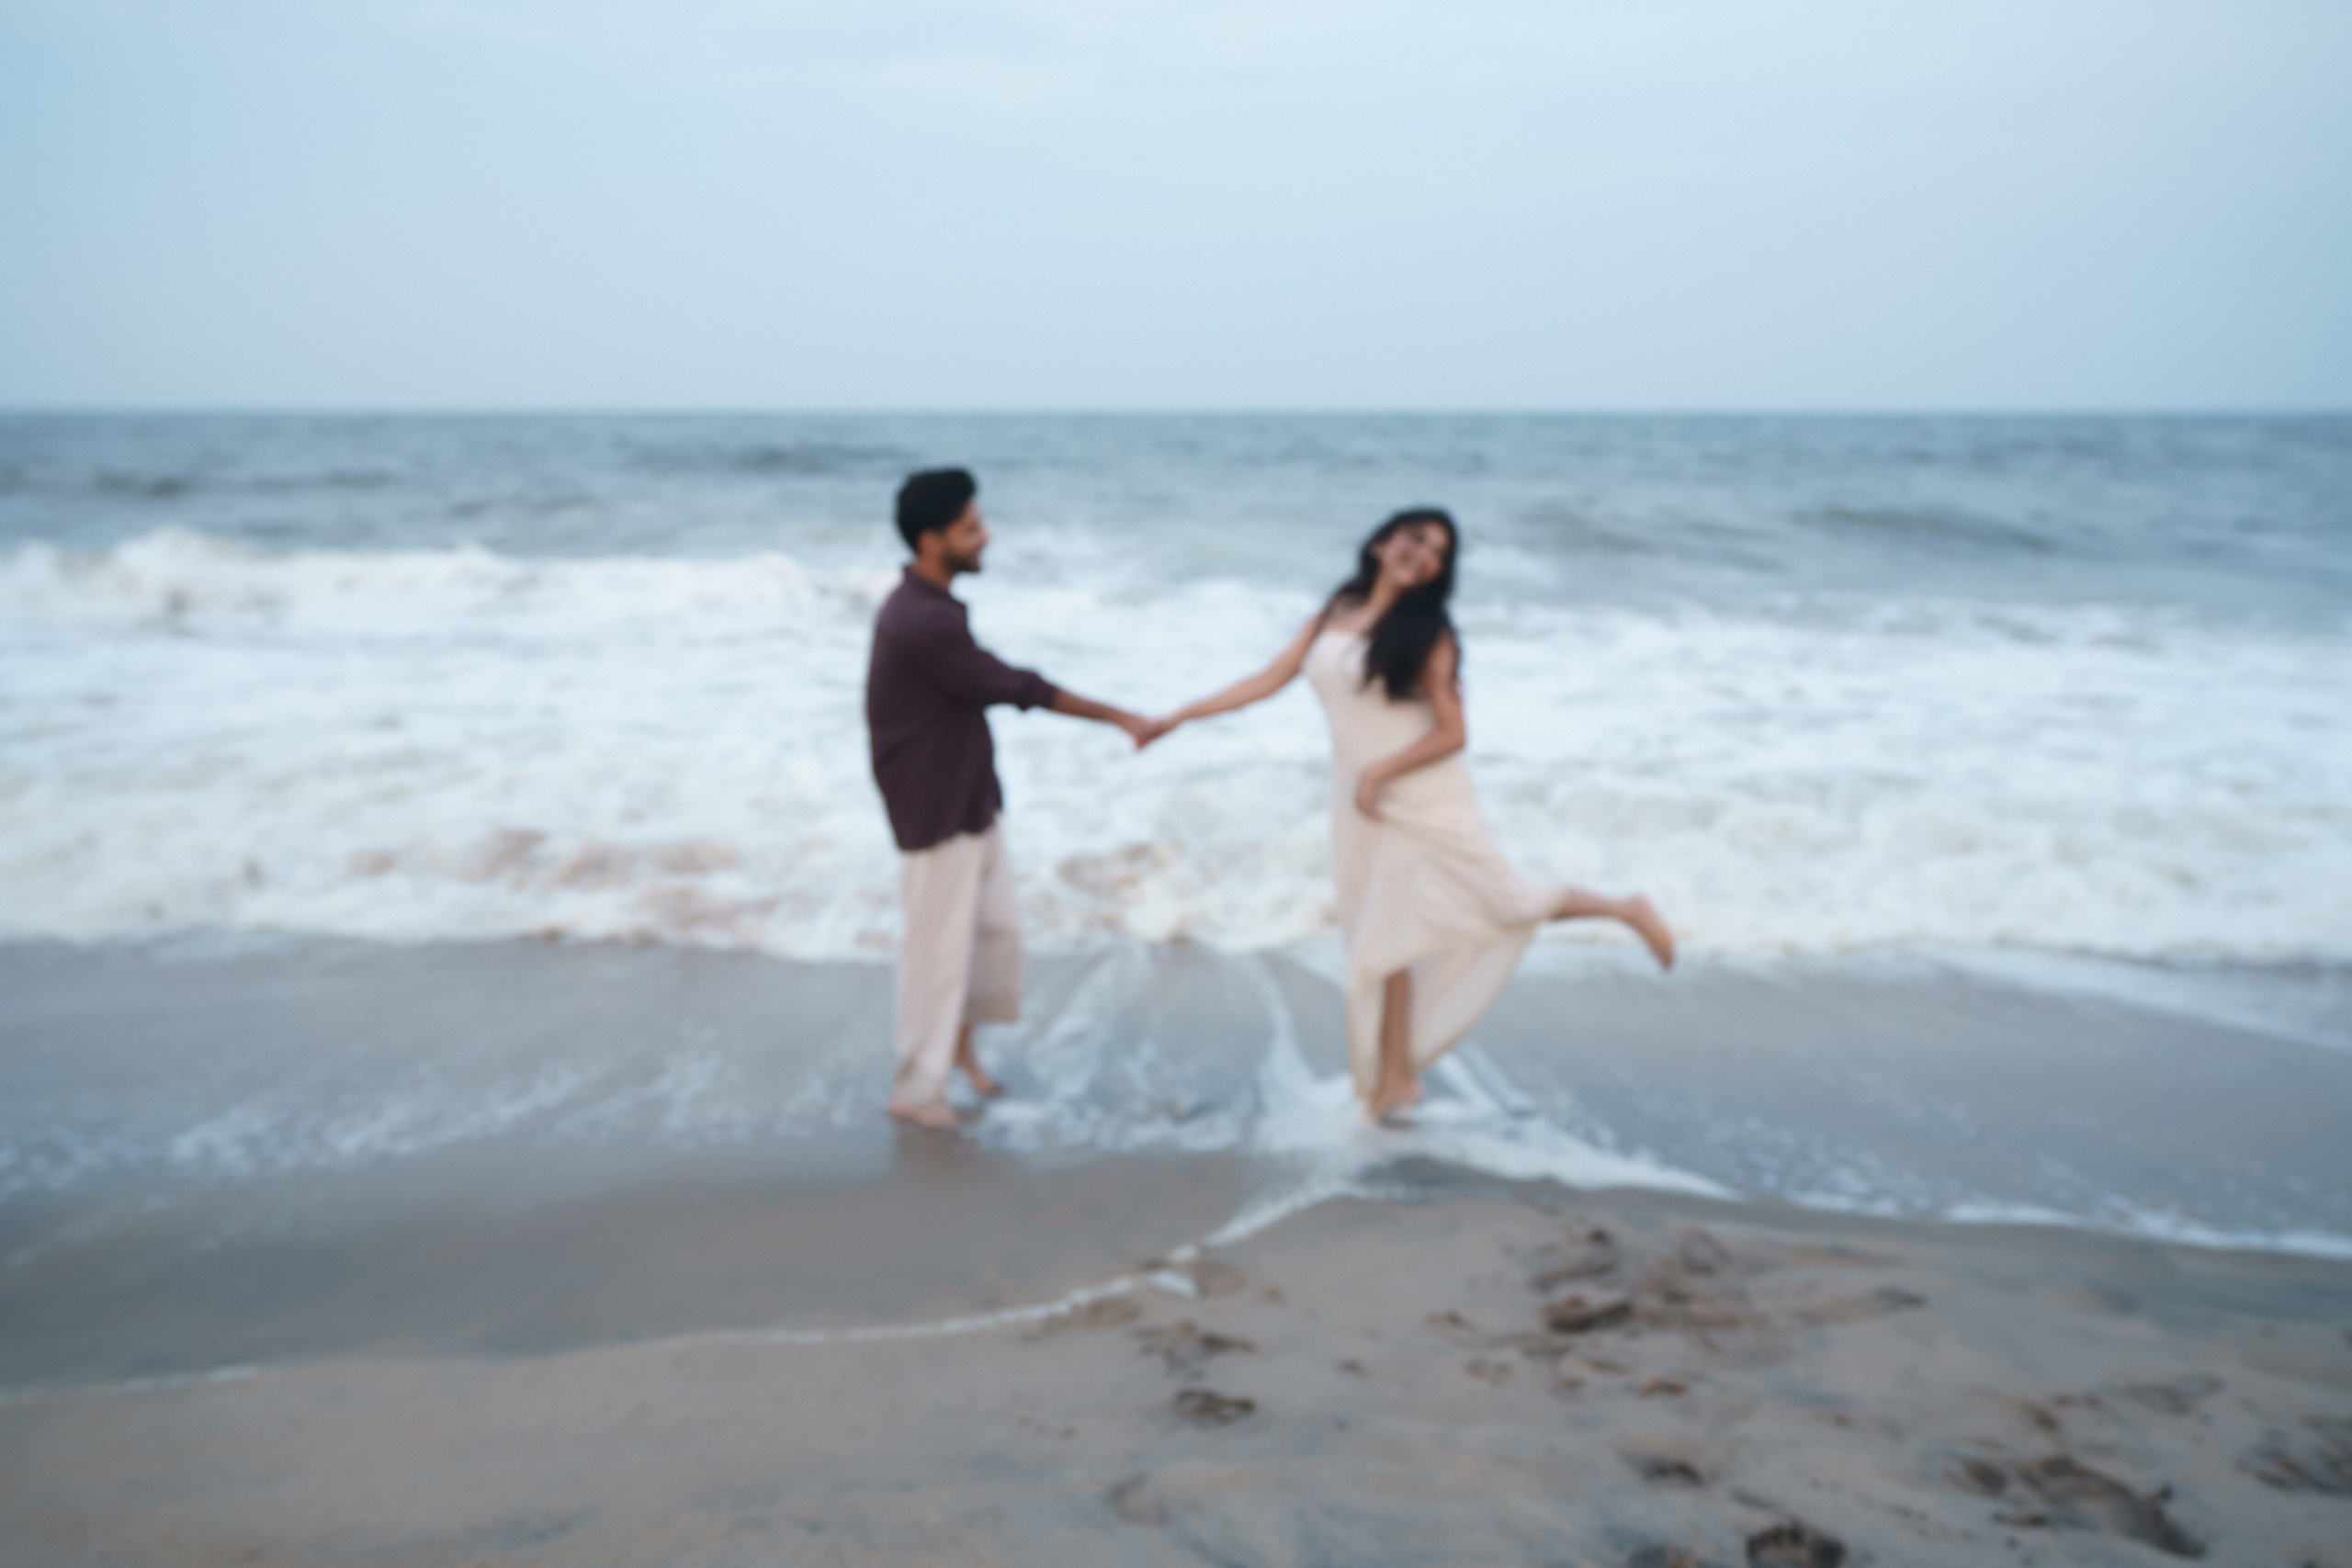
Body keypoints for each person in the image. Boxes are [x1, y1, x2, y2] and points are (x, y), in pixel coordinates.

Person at [1143, 508, 1674, 1122]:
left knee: (1504, 900)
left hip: (1422, 792)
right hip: (1363, 799)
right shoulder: (1338, 608)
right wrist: (1178, 715)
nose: (1422, 554)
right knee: (1386, 936)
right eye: (1415, 538)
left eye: (1437, 552)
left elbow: (1454, 732)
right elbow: (1268, 678)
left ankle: (1626, 908)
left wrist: (1379, 772)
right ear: (1381, 540)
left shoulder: (1429, 632)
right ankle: (1395, 1080)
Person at [866, 468, 1154, 1130]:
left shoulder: (932, 606)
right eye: (971, 527)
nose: (986, 536)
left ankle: (959, 1048)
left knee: (994, 935)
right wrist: (1120, 716)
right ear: (932, 539)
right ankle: (916, 1090)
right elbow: (1014, 684)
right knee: (936, 957)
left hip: (969, 799)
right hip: (935, 811)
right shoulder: (919, 620)